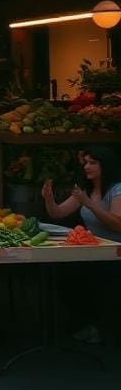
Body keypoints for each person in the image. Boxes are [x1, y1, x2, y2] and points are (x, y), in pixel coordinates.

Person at [42, 145, 121, 344]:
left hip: (113, 252)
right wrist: (49, 198)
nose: (87, 166)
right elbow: (58, 213)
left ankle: (99, 326)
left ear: (106, 165)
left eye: (92, 162)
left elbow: (117, 224)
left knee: (90, 278)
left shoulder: (117, 190)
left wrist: (90, 204)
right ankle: (86, 322)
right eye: (85, 162)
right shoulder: (85, 190)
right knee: (66, 274)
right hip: (91, 250)